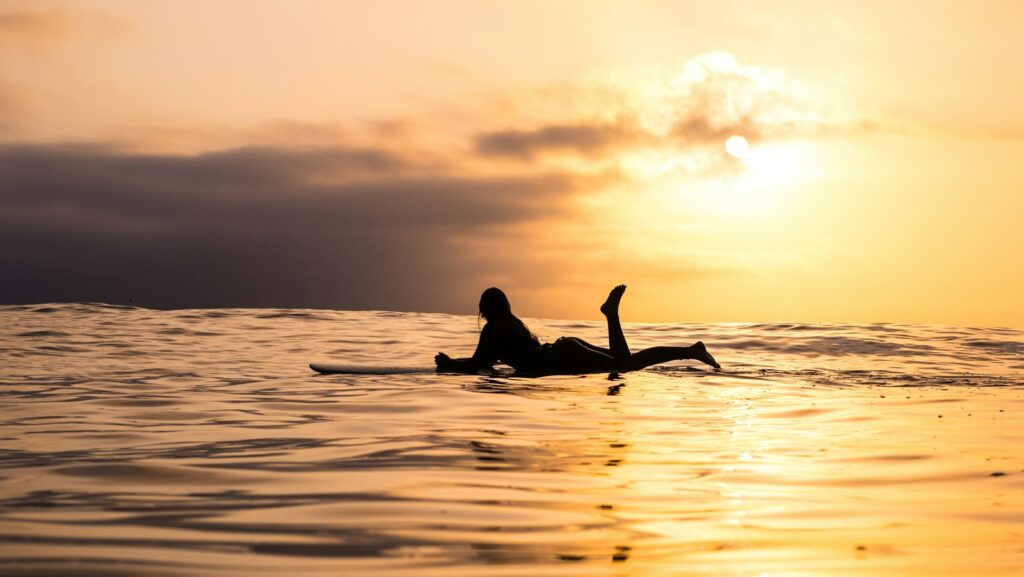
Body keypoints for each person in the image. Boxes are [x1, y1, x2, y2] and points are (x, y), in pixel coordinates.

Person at [435, 285, 720, 375]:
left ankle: (611, 315)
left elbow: (478, 364)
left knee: (624, 365)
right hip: (564, 348)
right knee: (629, 361)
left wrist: (449, 364)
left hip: (559, 358)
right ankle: (690, 350)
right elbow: (486, 363)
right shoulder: (511, 325)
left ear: (484, 310)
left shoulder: (493, 331)